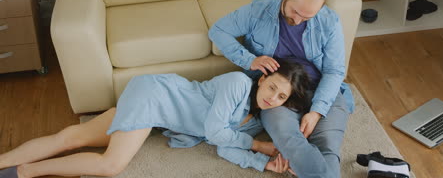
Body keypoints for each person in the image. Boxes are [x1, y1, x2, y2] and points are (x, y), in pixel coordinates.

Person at [0, 59, 311, 178]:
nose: (273, 97)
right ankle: (25, 172)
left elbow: (224, 147)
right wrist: (257, 146)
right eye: (272, 86)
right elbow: (216, 133)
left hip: (156, 110)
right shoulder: (238, 84)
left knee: (71, 138)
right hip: (155, 96)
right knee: (111, 165)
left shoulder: (256, 118)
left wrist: (262, 162)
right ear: (262, 79)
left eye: (281, 97)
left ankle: (4, 161)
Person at [209, 0, 355, 178]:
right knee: (289, 141)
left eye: (307, 17)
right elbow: (218, 30)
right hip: (278, 93)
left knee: (328, 146)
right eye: (295, 11)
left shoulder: (329, 21)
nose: (297, 20)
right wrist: (249, 59)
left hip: (320, 89)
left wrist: (317, 112)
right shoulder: (258, 11)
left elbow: (334, 71)